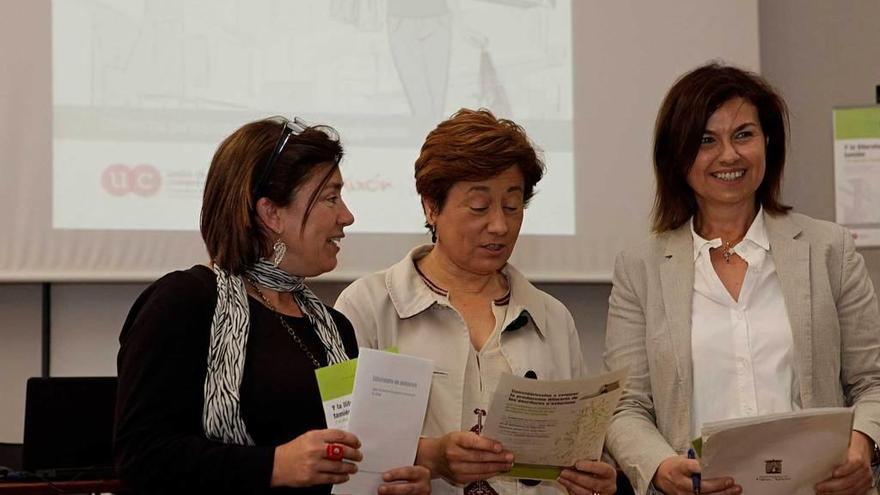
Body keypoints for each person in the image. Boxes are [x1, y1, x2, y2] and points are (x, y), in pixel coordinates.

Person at [603, 63, 880, 495]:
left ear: (768, 142)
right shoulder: (640, 268)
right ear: (677, 155)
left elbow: (872, 380)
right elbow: (626, 404)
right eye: (706, 140)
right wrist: (659, 466)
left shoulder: (831, 249)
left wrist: (863, 445)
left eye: (744, 135)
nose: (728, 155)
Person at [114, 116, 431, 494]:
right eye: (331, 197)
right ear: (271, 214)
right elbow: (142, 457)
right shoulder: (182, 304)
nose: (347, 216)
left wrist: (390, 481)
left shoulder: (334, 327)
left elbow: (348, 465)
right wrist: (273, 466)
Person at [335, 108, 618, 495]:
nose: (500, 225)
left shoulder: (552, 318)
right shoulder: (365, 307)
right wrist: (430, 457)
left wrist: (592, 480)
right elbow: (338, 447)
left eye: (513, 206)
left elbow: (577, 453)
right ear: (431, 207)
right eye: (479, 207)